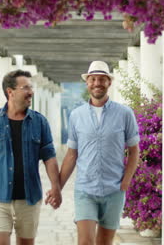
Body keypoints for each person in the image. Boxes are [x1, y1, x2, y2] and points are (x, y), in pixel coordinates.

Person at [49, 61, 140, 245]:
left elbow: (134, 150)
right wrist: (57, 187)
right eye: (93, 79)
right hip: (85, 190)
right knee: (85, 242)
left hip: (114, 190)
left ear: (109, 82)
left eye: (102, 79)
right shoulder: (76, 115)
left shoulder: (124, 113)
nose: (97, 83)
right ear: (87, 83)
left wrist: (126, 181)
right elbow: (71, 155)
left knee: (104, 243)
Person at [0, 69, 61, 245]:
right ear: (10, 92)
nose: (31, 92)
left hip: (28, 199)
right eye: (26, 87)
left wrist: (56, 187)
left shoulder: (40, 122)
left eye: (32, 87)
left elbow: (49, 157)